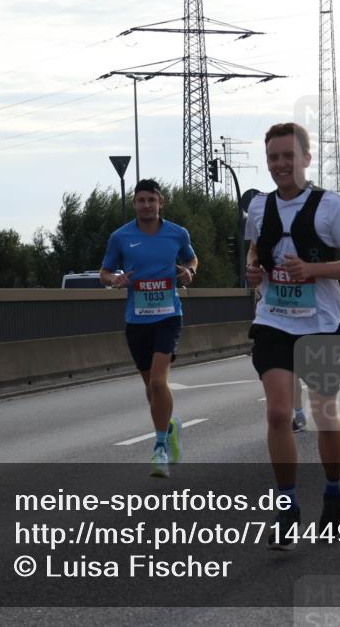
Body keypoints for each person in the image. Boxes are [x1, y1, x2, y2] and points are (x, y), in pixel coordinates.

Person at [244, 122, 340, 550]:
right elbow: (255, 248)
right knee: (279, 414)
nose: (280, 165)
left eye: (288, 156)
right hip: (274, 320)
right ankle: (287, 505)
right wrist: (253, 268)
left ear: (306, 159)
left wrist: (314, 270)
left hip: (321, 323)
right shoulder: (259, 207)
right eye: (273, 157)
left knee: (323, 411)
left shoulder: (331, 207)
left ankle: (333, 491)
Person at [100, 179, 198, 479]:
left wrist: (189, 271)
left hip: (169, 317)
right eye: (141, 200)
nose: (146, 205)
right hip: (136, 320)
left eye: (151, 200)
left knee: (158, 382)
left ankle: (159, 448)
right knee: (151, 388)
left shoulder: (177, 233)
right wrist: (114, 280)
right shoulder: (121, 237)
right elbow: (104, 272)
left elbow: (191, 258)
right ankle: (169, 426)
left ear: (160, 202)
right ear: (135, 204)